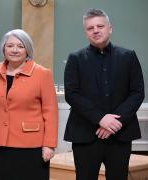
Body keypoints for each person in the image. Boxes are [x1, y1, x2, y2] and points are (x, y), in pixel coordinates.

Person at [64, 8, 145, 180]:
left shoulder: (128, 56)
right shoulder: (75, 58)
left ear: (110, 28)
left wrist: (114, 121)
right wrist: (101, 118)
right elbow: (72, 94)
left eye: (100, 26)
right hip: (85, 134)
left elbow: (137, 92)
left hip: (120, 134)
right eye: (90, 28)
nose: (95, 30)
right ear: (86, 32)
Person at [0, 29, 58, 180]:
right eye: (10, 46)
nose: (15, 50)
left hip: (32, 145)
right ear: (4, 49)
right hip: (1, 143)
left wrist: (49, 144)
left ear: (27, 49)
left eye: (20, 46)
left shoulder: (42, 74)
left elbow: (51, 111)